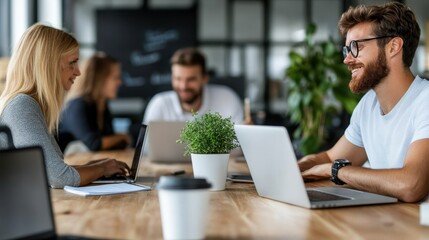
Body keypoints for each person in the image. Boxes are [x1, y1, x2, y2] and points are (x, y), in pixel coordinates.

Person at [297, 2, 429, 203]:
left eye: (357, 47)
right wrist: (288, 169)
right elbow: (330, 158)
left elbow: (411, 185)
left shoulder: (425, 101)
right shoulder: (369, 105)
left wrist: (337, 171)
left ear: (393, 47)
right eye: (347, 49)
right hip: (391, 224)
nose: (347, 59)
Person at [0, 23, 130, 188]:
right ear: (49, 65)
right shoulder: (22, 106)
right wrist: (102, 168)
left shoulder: (29, 105)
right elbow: (59, 177)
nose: (78, 71)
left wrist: (98, 166)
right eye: (72, 63)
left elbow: (53, 171)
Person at [142, 47, 246, 124]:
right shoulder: (159, 104)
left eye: (191, 79)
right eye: (178, 79)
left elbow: (239, 145)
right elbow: (146, 149)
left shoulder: (227, 99)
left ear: (204, 78)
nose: (183, 86)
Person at [58, 52, 131, 152]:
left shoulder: (102, 105)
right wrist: (123, 137)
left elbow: (108, 138)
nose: (120, 82)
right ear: (99, 79)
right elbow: (94, 143)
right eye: (115, 77)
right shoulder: (78, 106)